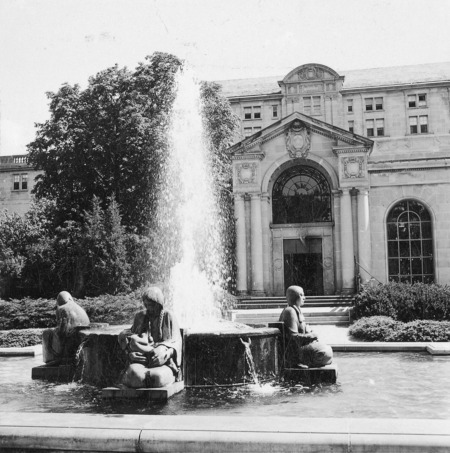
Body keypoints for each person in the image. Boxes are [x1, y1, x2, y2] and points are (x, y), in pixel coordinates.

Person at [118, 286, 182, 388]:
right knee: (134, 376)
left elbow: (177, 342)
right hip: (142, 360)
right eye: (146, 305)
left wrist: (165, 354)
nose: (148, 308)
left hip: (163, 362)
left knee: (157, 378)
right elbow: (130, 338)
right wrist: (130, 354)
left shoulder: (168, 316)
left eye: (151, 305)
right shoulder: (140, 316)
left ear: (159, 304)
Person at [279, 285, 333, 368]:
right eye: (301, 295)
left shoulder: (296, 310)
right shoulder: (290, 311)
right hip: (295, 353)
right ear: (294, 296)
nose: (304, 298)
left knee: (327, 351)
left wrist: (310, 332)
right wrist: (311, 336)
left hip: (302, 347)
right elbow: (292, 337)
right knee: (324, 353)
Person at [42, 291, 90, 364]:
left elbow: (63, 330)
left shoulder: (61, 308)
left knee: (46, 333)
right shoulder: (80, 308)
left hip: (72, 339)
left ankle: (50, 359)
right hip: (83, 338)